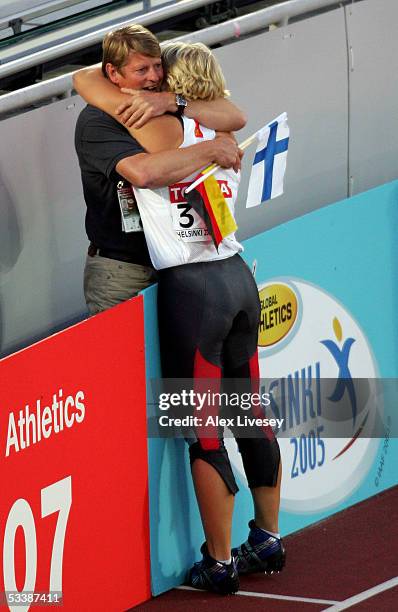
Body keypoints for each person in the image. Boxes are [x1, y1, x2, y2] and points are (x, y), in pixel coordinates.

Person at [74, 33, 285, 595]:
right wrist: (211, 141)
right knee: (250, 413)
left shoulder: (157, 128)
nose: (151, 81)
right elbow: (231, 112)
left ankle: (218, 563)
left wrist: (107, 85)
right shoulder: (221, 128)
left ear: (171, 82)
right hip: (238, 276)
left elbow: (139, 165)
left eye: (157, 72)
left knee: (205, 435)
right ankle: (267, 538)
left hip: (194, 292)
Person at [74, 25, 244, 315]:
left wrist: (172, 101)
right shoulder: (96, 121)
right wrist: (213, 148)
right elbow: (144, 174)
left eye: (157, 67)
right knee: (128, 359)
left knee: (187, 355)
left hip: (184, 261)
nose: (153, 77)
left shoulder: (170, 102)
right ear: (113, 74)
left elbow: (236, 116)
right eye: (142, 70)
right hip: (125, 270)